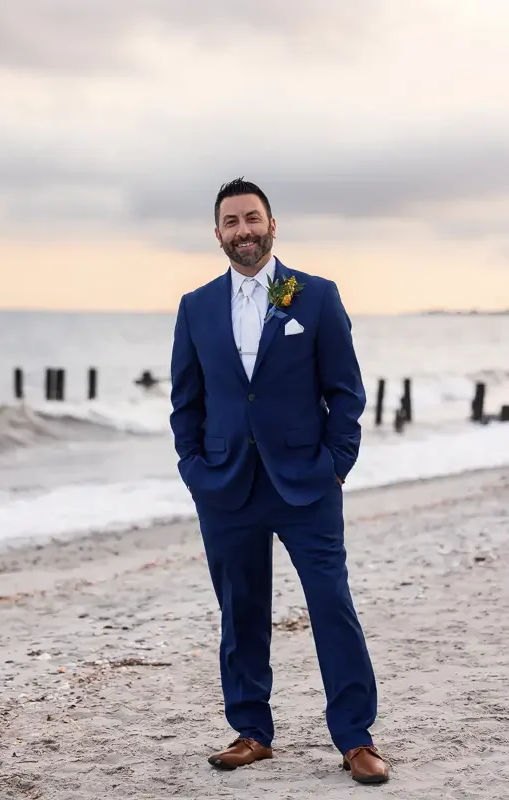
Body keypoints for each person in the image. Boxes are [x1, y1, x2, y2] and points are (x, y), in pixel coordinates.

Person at [169, 178, 389, 785]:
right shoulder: (196, 306)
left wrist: (335, 464)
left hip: (306, 484)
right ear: (217, 234)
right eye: (232, 221)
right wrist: (194, 470)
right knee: (240, 611)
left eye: (253, 218)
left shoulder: (314, 296)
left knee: (331, 604)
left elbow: (345, 391)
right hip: (226, 486)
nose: (244, 229)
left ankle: (355, 737)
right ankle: (251, 732)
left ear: (272, 224)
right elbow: (185, 402)